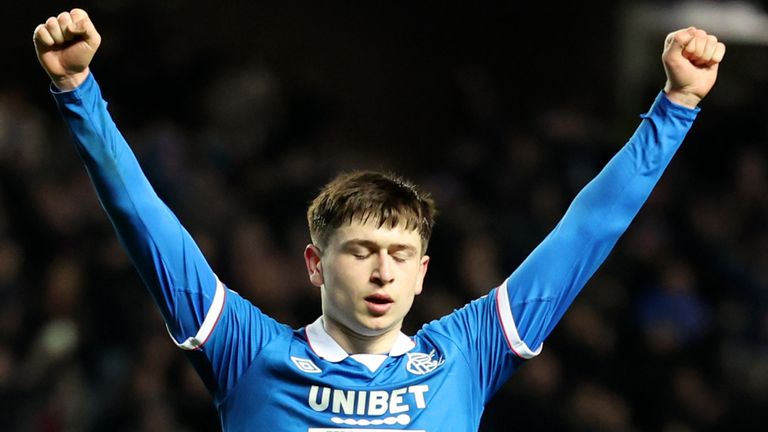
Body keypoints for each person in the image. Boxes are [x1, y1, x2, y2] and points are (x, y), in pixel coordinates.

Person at [33, 8, 725, 431]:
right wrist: (77, 92)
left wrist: (674, 109)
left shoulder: (466, 354)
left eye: (400, 254)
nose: (382, 270)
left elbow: (586, 230)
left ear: (424, 273)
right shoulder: (249, 354)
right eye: (360, 251)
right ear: (314, 263)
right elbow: (145, 220)